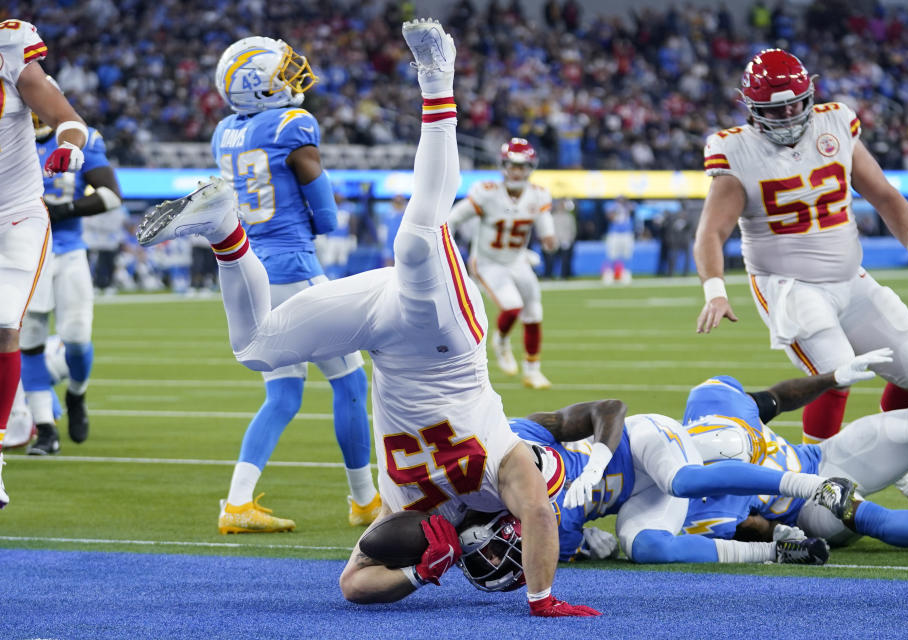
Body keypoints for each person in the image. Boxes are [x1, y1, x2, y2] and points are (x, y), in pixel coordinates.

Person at [137, 19, 597, 617]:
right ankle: (438, 79)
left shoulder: (406, 509)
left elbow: (354, 584)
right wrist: (542, 599)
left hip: (380, 329)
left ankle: (224, 230)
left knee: (257, 347)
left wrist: (429, 565)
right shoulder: (511, 469)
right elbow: (539, 510)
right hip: (445, 337)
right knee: (416, 237)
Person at [692, 49, 908, 496]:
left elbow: (885, 194)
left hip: (851, 279)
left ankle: (891, 456)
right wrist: (715, 291)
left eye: (796, 102)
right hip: (788, 285)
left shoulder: (835, 123)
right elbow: (710, 233)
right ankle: (821, 482)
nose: (791, 113)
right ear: (753, 108)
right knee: (836, 372)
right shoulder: (736, 150)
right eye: (777, 107)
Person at [209, 35, 378, 532]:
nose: (291, 77)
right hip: (295, 269)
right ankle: (365, 500)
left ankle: (237, 503)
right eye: (281, 72)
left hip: (252, 268)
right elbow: (325, 217)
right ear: (257, 87)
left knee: (282, 396)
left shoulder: (224, 132)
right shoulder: (292, 125)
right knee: (350, 381)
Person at [507, 387, 864, 566]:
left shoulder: (518, 436)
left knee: (682, 480)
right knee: (647, 548)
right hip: (636, 497)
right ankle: (776, 551)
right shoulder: (549, 527)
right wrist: (586, 543)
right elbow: (587, 547)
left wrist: (596, 465)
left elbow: (612, 409)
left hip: (641, 441)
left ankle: (819, 487)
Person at [681, 363, 908, 552]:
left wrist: (833, 378)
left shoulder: (715, 401)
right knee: (862, 515)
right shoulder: (706, 509)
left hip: (818, 457)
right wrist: (780, 535)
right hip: (805, 510)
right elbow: (762, 529)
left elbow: (778, 397)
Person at [0, 18, 89, 509]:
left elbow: (66, 116)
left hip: (15, 214)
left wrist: (69, 147)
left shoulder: (10, 48)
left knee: (3, 320)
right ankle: (16, 422)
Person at [22, 81, 123, 455]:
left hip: (66, 249)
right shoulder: (8, 138)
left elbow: (111, 196)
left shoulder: (82, 137)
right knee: (29, 337)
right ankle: (45, 430)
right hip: (23, 253)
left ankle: (77, 394)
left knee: (77, 336)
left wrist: (64, 210)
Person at [447, 137, 557, 389]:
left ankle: (532, 370)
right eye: (512, 165)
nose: (517, 171)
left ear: (531, 168)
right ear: (503, 166)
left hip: (517, 259)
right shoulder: (487, 193)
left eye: (522, 166)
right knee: (512, 306)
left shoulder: (538, 195)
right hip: (488, 262)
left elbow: (544, 225)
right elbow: (453, 218)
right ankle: (501, 341)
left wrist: (549, 237)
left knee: (534, 311)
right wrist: (449, 249)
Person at [601, 196, 634, 284]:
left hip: (626, 233)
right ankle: (608, 275)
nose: (621, 201)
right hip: (614, 233)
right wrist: (616, 210)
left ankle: (625, 274)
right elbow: (609, 216)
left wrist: (625, 207)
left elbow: (633, 208)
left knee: (627, 255)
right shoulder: (611, 206)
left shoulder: (628, 206)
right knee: (611, 255)